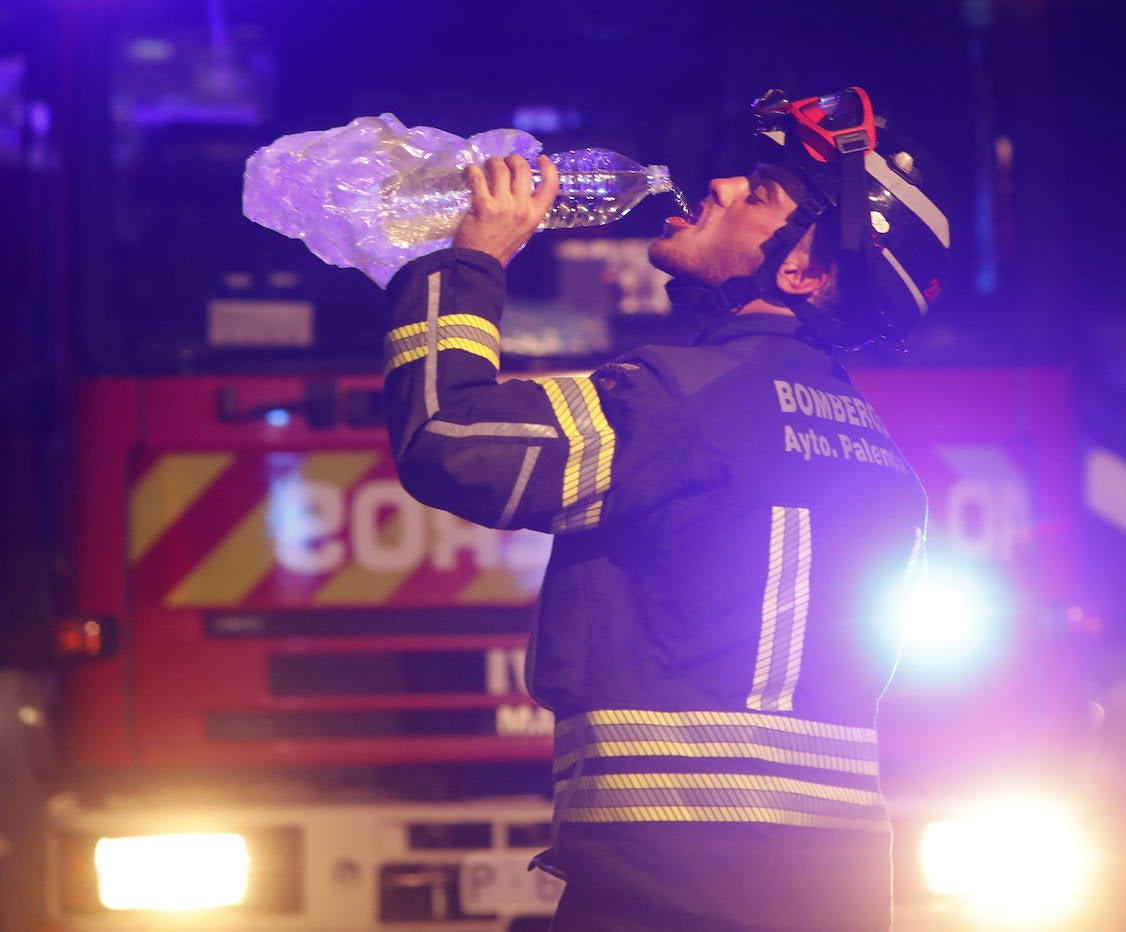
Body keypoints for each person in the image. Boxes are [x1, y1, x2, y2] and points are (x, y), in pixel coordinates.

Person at [379, 87, 950, 931]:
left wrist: (471, 260)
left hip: (668, 889)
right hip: (835, 896)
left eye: (758, 192)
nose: (718, 186)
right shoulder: (883, 459)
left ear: (802, 270)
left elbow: (448, 437)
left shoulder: (683, 401)